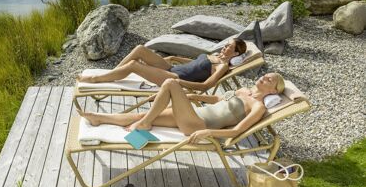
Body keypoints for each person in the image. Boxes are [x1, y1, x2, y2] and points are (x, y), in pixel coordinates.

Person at [79, 73, 285, 142]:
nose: (264, 77)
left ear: (274, 92)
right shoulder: (243, 91)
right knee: (142, 114)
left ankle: (144, 124)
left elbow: (238, 130)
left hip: (197, 124)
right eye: (266, 75)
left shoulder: (257, 107)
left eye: (270, 80)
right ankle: (99, 118)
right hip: (193, 113)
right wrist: (192, 96)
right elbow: (217, 100)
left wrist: (208, 132)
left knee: (170, 83)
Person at [76, 39, 247, 90]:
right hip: (172, 68)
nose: (225, 48)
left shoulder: (222, 66)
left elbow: (206, 85)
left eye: (229, 47)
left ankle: (96, 79)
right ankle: (114, 72)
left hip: (174, 77)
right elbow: (196, 63)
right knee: (139, 49)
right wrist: (175, 57)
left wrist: (179, 82)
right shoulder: (215, 56)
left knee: (134, 65)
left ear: (236, 53)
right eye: (226, 45)